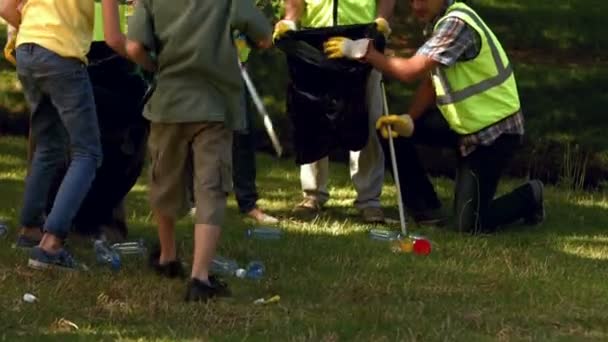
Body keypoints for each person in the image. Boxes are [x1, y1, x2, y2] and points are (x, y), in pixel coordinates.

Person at [323, 0, 544, 234]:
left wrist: (363, 52)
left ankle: (531, 195)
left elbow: (409, 71)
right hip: (464, 126)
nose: (417, 6)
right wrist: (409, 119)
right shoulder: (438, 21)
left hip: (493, 135)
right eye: (412, 0)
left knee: (469, 226)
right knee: (392, 131)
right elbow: (432, 78)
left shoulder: (456, 24)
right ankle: (426, 211)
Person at [125, 0, 272, 301]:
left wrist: (157, 68)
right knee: (211, 187)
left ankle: (167, 257)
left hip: (169, 101)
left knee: (163, 180)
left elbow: (134, 48)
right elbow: (265, 36)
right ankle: (200, 278)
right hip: (215, 104)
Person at [1, 0, 102, 268]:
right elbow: (116, 33)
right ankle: (52, 244)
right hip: (62, 55)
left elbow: (4, 7)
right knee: (87, 152)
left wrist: (36, 30)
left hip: (27, 50)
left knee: (48, 144)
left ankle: (31, 229)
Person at [273, 0, 395, 223]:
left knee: (367, 118)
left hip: (361, 37)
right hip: (315, 38)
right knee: (313, 115)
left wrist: (382, 21)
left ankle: (369, 201)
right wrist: (290, 20)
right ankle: (312, 195)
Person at [232, 34, 279, 225]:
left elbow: (258, 34)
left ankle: (248, 203)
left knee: (242, 136)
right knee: (198, 131)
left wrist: (241, 49)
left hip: (235, 69)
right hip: (201, 67)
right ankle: (193, 202)